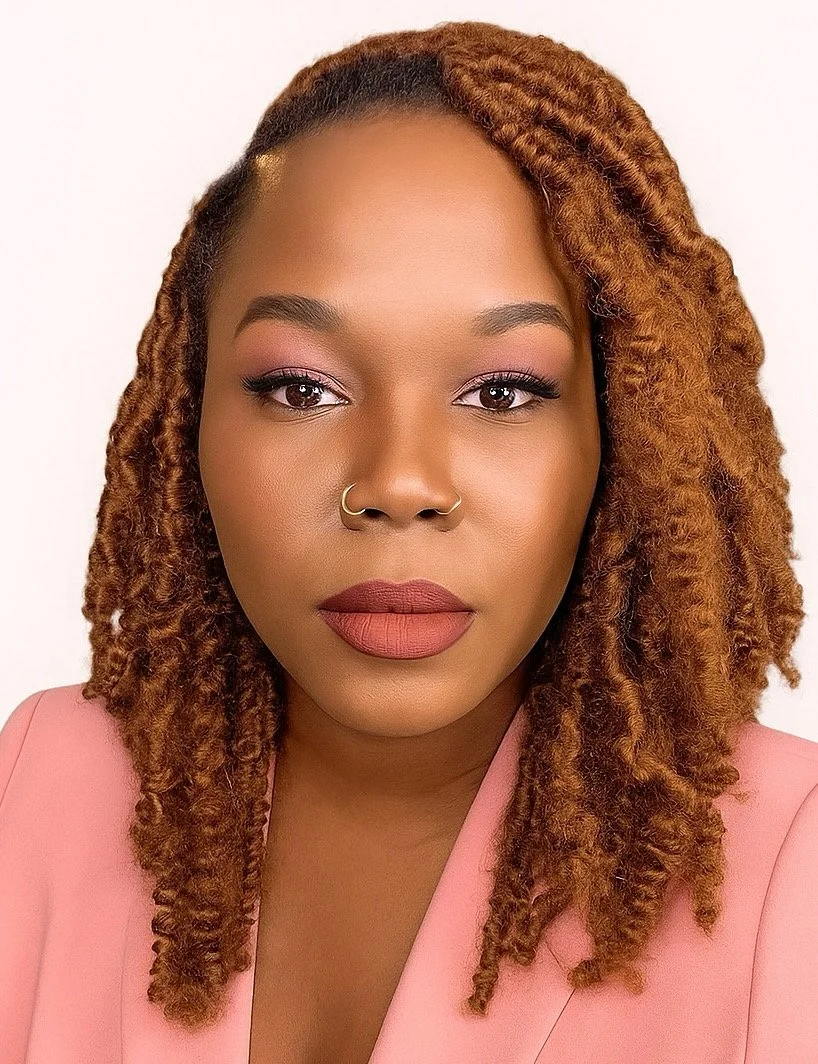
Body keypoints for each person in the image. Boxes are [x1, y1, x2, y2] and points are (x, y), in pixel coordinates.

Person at [1, 19, 815, 1064]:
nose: (395, 483)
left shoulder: (784, 867)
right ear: (183, 416)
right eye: (299, 387)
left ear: (622, 432)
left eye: (502, 389)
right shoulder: (43, 782)